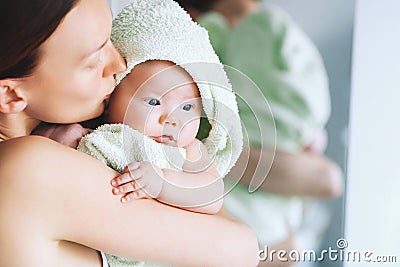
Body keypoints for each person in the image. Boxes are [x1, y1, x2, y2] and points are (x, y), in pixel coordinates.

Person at [0, 0, 259, 266]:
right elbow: (241, 249)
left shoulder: (45, 149)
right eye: (92, 60)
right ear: (10, 94)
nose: (120, 63)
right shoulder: (27, 166)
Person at [175, 0, 343, 266]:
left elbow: (330, 181)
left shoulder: (252, 31)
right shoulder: (268, 34)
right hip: (264, 224)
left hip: (250, 220)